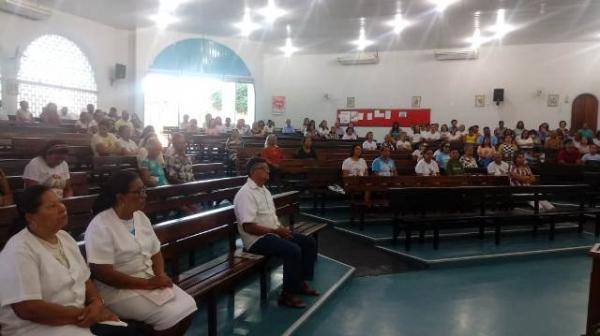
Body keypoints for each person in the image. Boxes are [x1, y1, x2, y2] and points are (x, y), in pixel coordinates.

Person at [0, 185, 140, 336]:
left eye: (60, 202)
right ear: (30, 217)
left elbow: (86, 281)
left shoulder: (65, 238)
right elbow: (28, 308)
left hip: (76, 319)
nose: (62, 208)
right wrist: (84, 314)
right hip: (36, 328)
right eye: (52, 206)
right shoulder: (19, 250)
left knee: (131, 332)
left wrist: (97, 304)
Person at [85, 172, 197, 334]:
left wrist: (160, 274)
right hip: (118, 290)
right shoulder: (100, 226)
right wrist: (147, 284)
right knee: (170, 317)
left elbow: (155, 251)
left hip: (148, 279)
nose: (144, 195)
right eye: (138, 192)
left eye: (144, 190)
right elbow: (103, 273)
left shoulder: (140, 217)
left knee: (189, 306)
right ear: (120, 197)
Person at [234, 158, 319, 308]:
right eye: (264, 169)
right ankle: (287, 295)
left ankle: (299, 283)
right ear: (254, 171)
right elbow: (248, 227)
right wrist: (276, 231)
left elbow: (271, 217)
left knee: (308, 242)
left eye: (268, 169)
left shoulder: (264, 190)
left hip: (272, 234)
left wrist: (280, 228)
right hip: (256, 240)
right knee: (292, 250)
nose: (268, 171)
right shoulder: (245, 194)